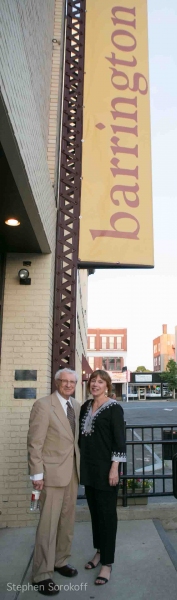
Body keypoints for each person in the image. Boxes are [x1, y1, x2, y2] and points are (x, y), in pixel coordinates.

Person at [27, 368, 80, 596]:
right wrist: (37, 474)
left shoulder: (76, 407)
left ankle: (60, 561)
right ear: (57, 382)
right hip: (50, 475)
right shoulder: (43, 405)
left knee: (66, 523)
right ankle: (42, 574)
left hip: (72, 474)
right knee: (48, 526)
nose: (68, 385)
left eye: (72, 382)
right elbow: (34, 443)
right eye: (64, 381)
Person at [79, 369, 126, 586]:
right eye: (93, 381)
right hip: (89, 470)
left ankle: (107, 563)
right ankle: (98, 552)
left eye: (100, 382)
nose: (96, 384)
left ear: (107, 385)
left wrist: (114, 468)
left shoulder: (114, 408)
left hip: (108, 471)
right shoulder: (84, 408)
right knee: (95, 514)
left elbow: (119, 441)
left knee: (108, 516)